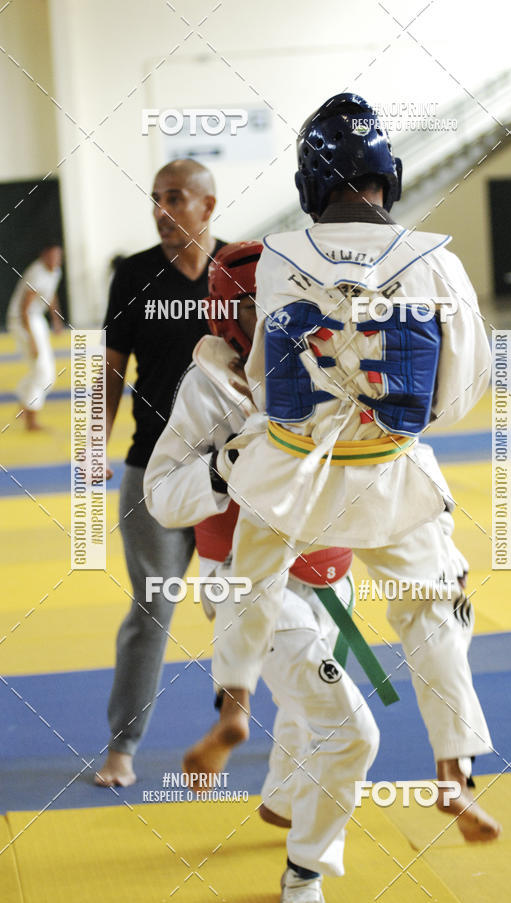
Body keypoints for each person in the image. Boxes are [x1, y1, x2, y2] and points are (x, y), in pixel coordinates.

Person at [187, 95, 494, 873]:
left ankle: (235, 698)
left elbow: (261, 374)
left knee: (250, 581)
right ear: (389, 177)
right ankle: (454, 765)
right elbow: (458, 393)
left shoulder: (280, 260)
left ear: (307, 184)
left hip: (291, 474)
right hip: (390, 477)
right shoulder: (437, 259)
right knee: (434, 598)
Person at [144, 241, 380, 902]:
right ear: (228, 313)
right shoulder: (207, 387)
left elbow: (385, 463)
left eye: (291, 296)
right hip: (250, 582)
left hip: (332, 572)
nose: (280, 312)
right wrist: (221, 469)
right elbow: (161, 494)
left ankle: (281, 800)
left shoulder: (339, 362)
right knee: (351, 730)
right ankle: (306, 869)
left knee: (307, 710)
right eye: (260, 301)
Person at [95, 157, 226, 787]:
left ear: (207, 203)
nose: (161, 209)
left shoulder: (242, 270)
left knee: (241, 605)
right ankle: (123, 746)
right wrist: (93, 445)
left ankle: (235, 721)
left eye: (174, 196)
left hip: (233, 475)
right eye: (155, 198)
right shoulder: (134, 274)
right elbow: (113, 368)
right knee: (153, 608)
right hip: (153, 471)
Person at [7, 245, 63, 430]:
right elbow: (24, 309)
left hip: (36, 319)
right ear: (43, 255)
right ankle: (30, 417)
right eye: (52, 255)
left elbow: (51, 295)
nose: (55, 259)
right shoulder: (36, 273)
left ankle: (25, 404)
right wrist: (32, 341)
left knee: (42, 372)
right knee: (44, 372)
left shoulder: (55, 272)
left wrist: (56, 319)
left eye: (58, 255)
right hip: (23, 320)